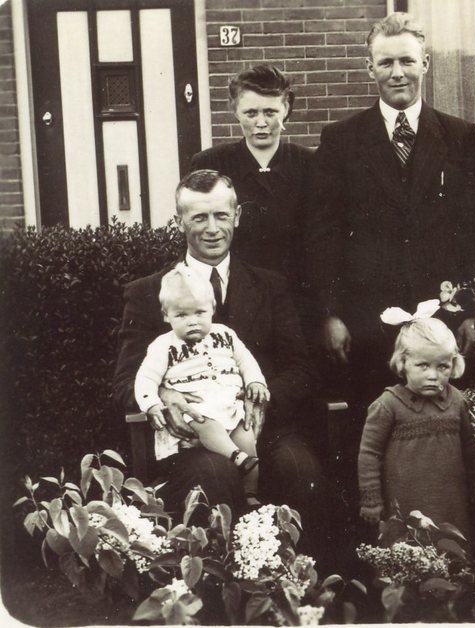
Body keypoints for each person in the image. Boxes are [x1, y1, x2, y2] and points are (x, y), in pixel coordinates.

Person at [112, 170, 336, 565]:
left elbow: (301, 369)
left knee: (299, 468)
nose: (212, 229)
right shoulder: (149, 292)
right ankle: (219, 586)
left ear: (237, 216)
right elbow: (125, 382)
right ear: (180, 221)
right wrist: (164, 395)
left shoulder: (270, 286)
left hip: (263, 428)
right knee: (214, 475)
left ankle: (305, 583)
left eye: (221, 215)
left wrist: (261, 400)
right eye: (199, 217)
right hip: (192, 438)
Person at [306, 12, 475, 415]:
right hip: (368, 324)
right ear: (369, 67)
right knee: (376, 428)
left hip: (443, 322)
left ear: (425, 63)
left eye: (407, 61)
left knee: (446, 427)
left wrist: (471, 312)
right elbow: (324, 235)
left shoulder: (461, 137)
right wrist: (331, 315)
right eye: (386, 62)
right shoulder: (341, 140)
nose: (397, 73)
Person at [188, 65, 319, 329]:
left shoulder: (310, 164)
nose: (261, 123)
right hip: (234, 304)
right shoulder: (210, 164)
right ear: (235, 110)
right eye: (251, 113)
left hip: (300, 304)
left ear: (286, 109)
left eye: (270, 112)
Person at [134, 267, 270, 505]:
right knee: (207, 423)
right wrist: (152, 404)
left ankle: (250, 493)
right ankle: (236, 457)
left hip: (230, 407)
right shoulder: (163, 346)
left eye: (199, 312)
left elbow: (246, 361)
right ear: (166, 315)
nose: (193, 322)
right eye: (181, 315)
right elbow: (145, 378)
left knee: (247, 435)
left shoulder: (226, 334)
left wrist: (255, 381)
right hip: (195, 412)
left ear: (212, 309)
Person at [357, 309, 475, 537]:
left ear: (453, 364)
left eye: (442, 366)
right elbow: (369, 455)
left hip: (452, 503)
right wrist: (372, 500)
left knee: (453, 545)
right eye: (423, 365)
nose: (433, 375)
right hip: (406, 502)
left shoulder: (457, 401)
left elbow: (470, 449)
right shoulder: (388, 405)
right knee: (409, 548)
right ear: (403, 362)